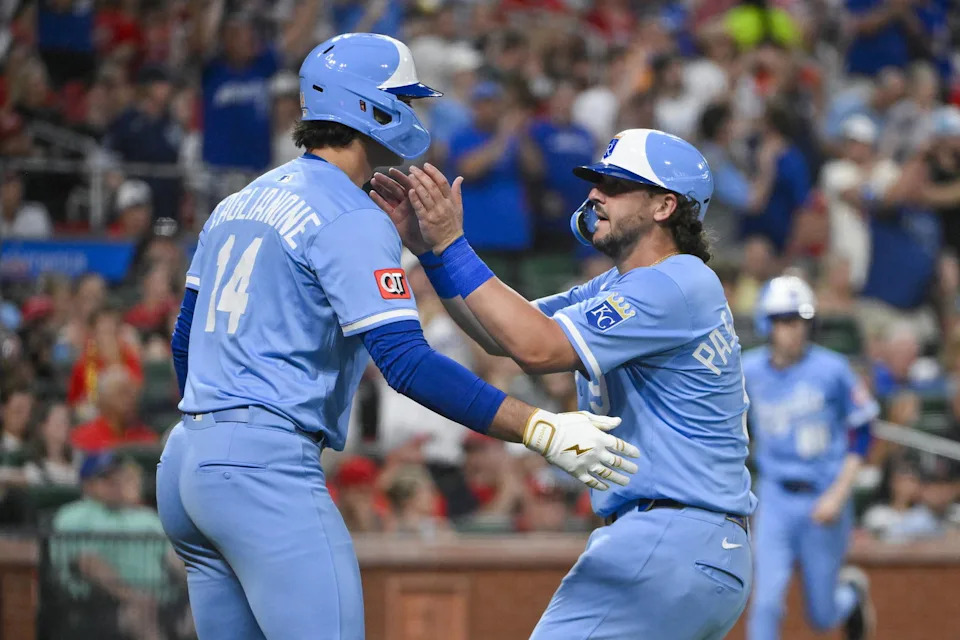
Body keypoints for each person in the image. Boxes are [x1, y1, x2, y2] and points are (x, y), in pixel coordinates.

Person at [156, 33, 638, 640]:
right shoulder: (350, 213)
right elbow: (407, 364)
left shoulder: (238, 200)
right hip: (262, 467)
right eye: (403, 99)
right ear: (367, 106)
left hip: (187, 459)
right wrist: (538, 427)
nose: (413, 112)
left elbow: (184, 342)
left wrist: (218, 434)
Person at [372, 127, 755, 638]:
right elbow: (500, 336)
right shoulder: (626, 283)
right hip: (690, 542)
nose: (595, 194)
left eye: (616, 185)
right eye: (597, 181)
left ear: (665, 206)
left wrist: (452, 243)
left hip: (671, 535)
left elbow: (537, 348)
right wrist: (436, 256)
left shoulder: (675, 282)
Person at [742, 275, 878, 640]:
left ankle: (850, 597)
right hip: (774, 496)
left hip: (823, 496)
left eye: (800, 320)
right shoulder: (748, 370)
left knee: (822, 614)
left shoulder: (833, 369)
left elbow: (863, 430)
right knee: (765, 601)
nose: (794, 329)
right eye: (784, 320)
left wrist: (838, 493)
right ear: (767, 324)